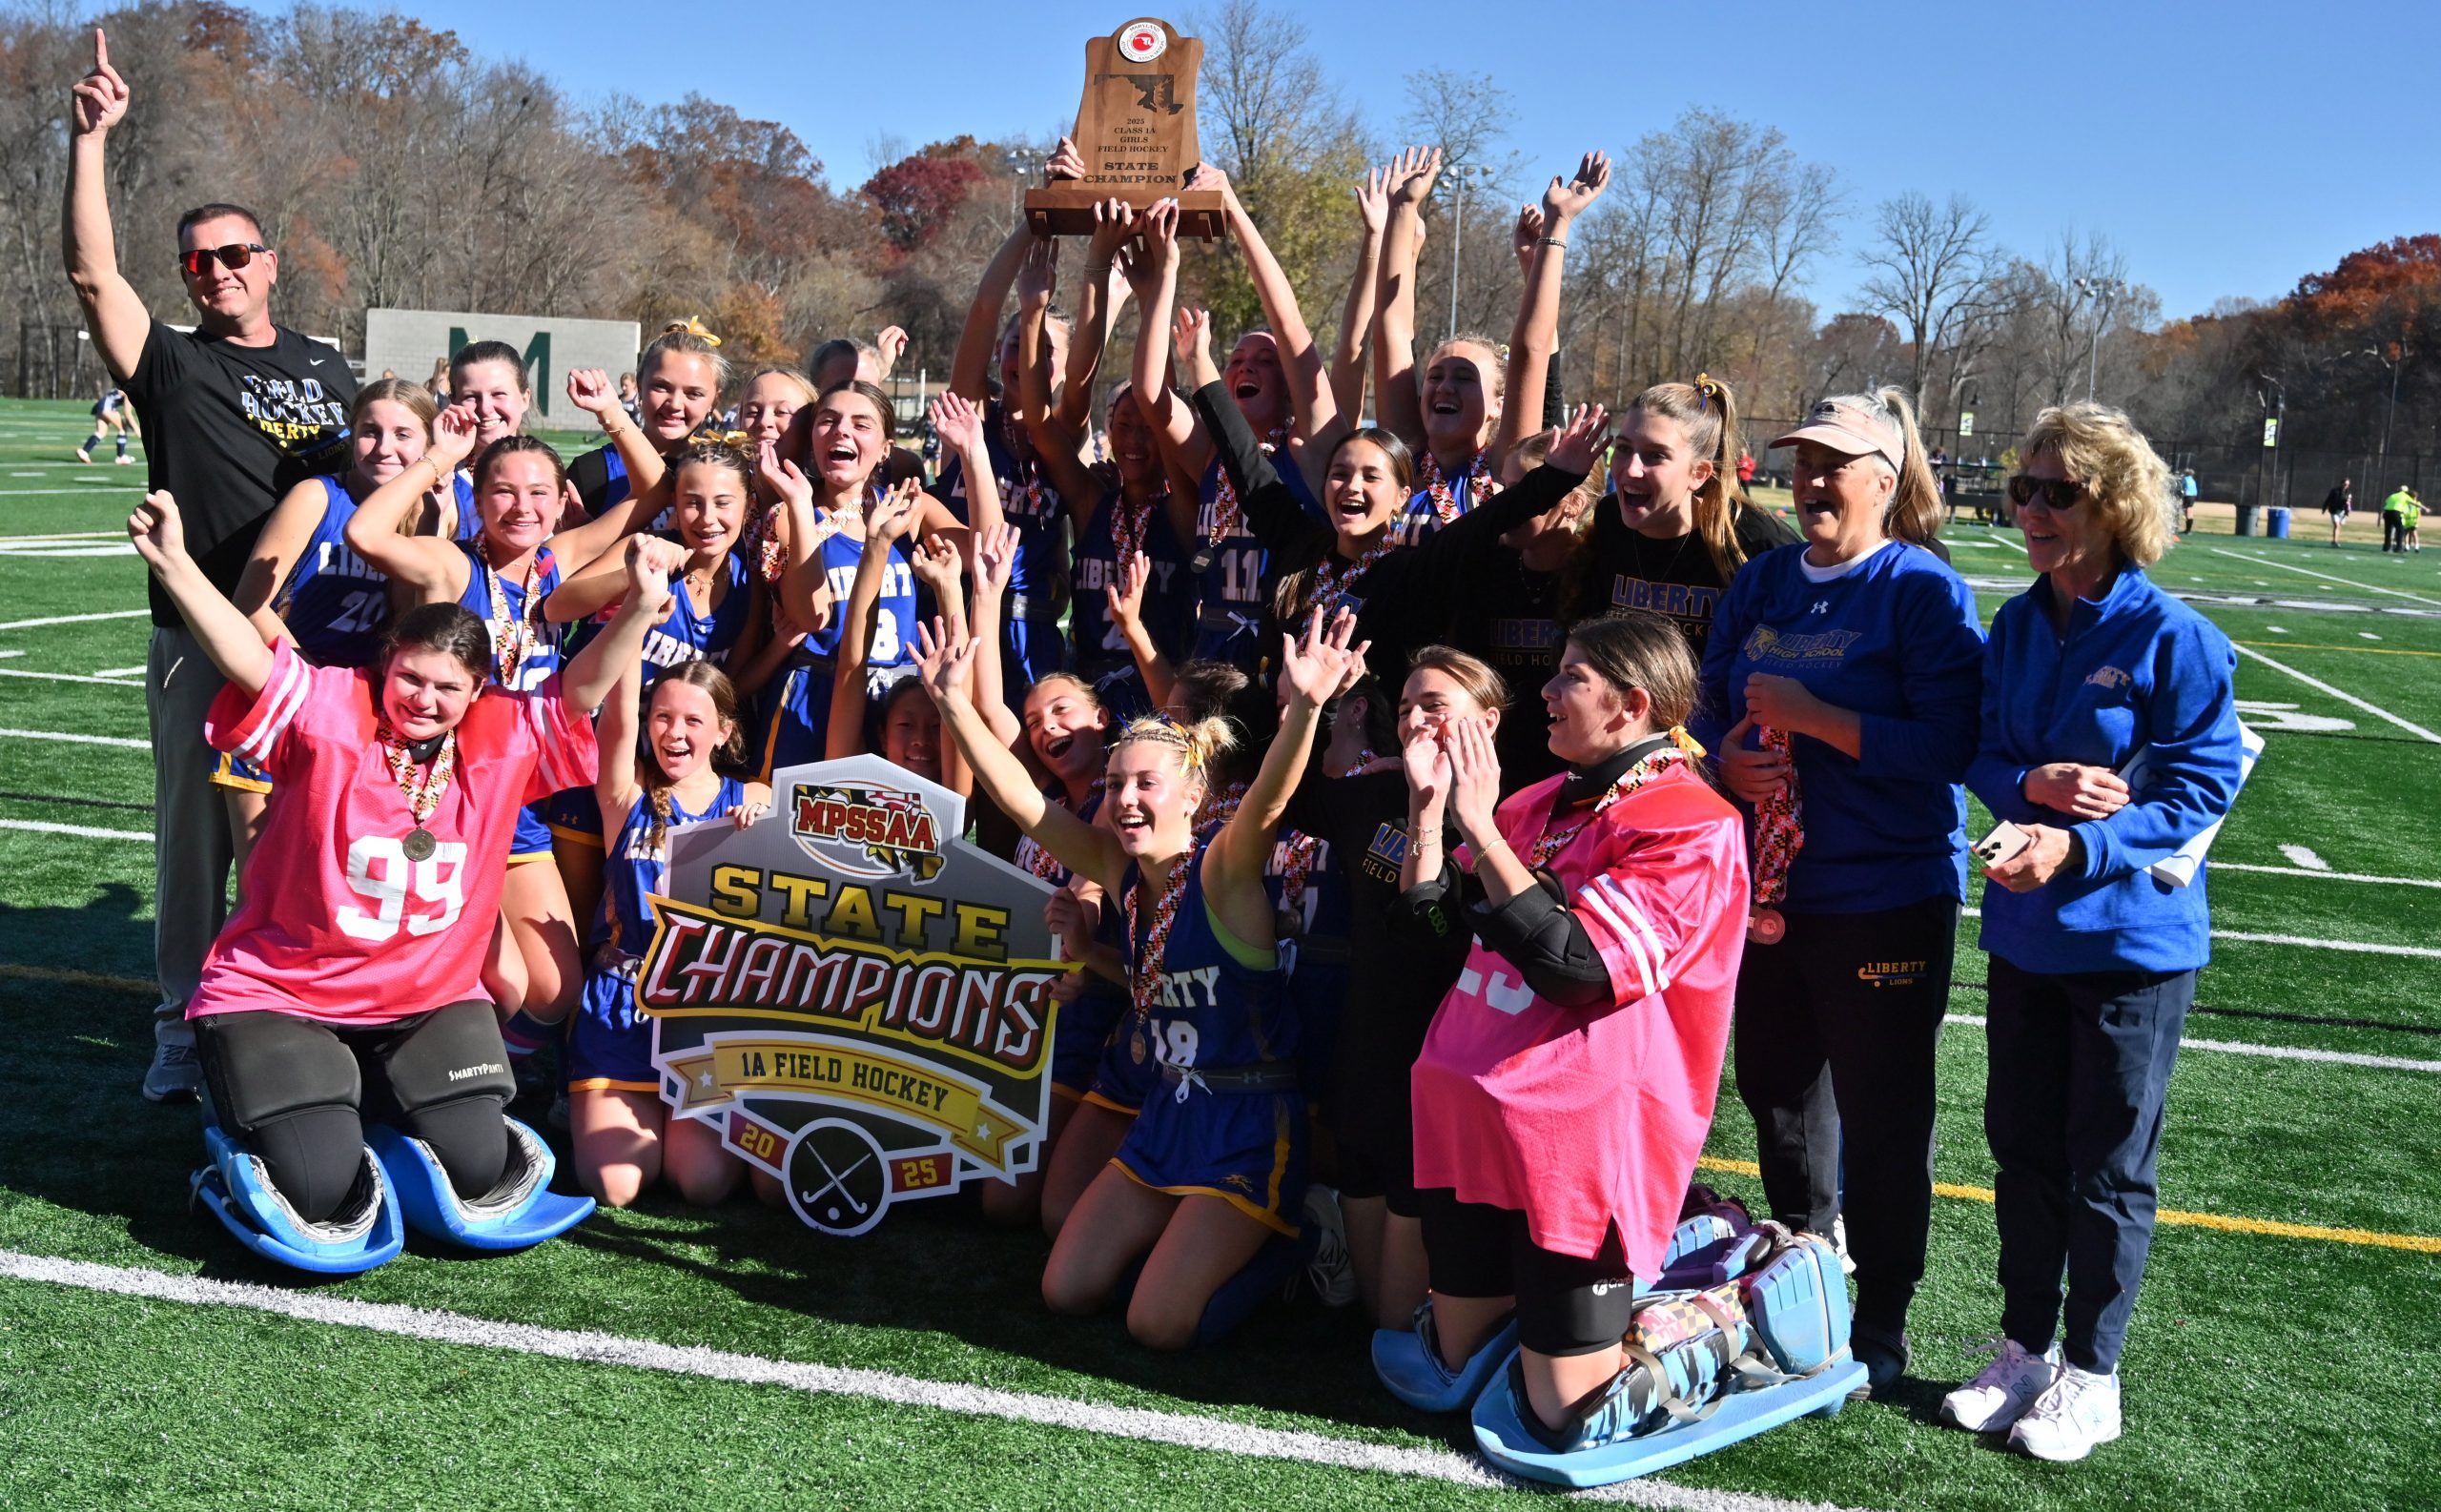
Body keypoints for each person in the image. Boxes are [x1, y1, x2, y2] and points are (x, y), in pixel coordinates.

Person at [128, 486, 678, 1260]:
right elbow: (248, 656)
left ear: (476, 693)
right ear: (385, 666)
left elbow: (580, 690)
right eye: (411, 678)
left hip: (422, 998)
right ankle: (241, 1144)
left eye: (448, 687)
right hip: (286, 990)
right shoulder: (328, 713)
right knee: (318, 1193)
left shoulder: (500, 739)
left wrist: (638, 609)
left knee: (483, 1166)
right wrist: (178, 567)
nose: (424, 698)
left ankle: (372, 1107)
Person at [918, 606, 1363, 1348]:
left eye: (1146, 785)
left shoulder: (1222, 867)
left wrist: (1307, 708)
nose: (1124, 799)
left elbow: (1272, 799)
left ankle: (1302, 1241)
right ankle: (1189, 1250)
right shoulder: (1119, 868)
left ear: (1192, 796)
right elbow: (1023, 804)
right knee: (1065, 1290)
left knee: (1155, 1325)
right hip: (1166, 1112)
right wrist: (953, 704)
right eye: (1117, 783)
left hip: (1247, 1123)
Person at [65, 28, 359, 1101]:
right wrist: (89, 139)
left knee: (313, 833)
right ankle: (180, 1021)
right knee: (195, 844)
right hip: (200, 638)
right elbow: (93, 273)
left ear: (273, 261)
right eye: (199, 260)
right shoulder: (173, 363)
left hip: (321, 650)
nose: (221, 271)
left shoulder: (329, 366)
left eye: (238, 254)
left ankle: (308, 1004)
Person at [1949, 403, 2245, 1461]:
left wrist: (2080, 845)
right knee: (2020, 1148)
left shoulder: (2177, 637)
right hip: (2027, 935)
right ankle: (2023, 1345)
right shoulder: (2020, 622)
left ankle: (2092, 1371)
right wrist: (2025, 784)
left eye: (2055, 491)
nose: (2028, 508)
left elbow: (2205, 785)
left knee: (2107, 1166)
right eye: (2020, 488)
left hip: (2132, 945)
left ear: (2113, 506)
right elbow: (1978, 750)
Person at [1396, 613, 1747, 1454]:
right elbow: (1435, 938)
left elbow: (1577, 970)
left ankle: (1731, 1301)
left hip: (1574, 1137)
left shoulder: (1689, 822)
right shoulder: (1537, 801)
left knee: (1563, 1416)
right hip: (1472, 1113)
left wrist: (1478, 827)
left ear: (1632, 704)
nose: (1546, 692)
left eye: (1571, 678)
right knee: (1456, 1357)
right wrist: (1428, 810)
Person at [1699, 388, 1986, 1396]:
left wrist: (1821, 718)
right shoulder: (1765, 580)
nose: (1813, 479)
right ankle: (1804, 1279)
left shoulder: (1922, 589)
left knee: (1881, 1110)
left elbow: (1953, 746)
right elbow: (1703, 709)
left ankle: (1884, 1313)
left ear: (1885, 476)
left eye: (1836, 462)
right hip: (1773, 892)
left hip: (1883, 894)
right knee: (1776, 1096)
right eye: (1802, 460)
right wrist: (1722, 763)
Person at [1285, 646, 1507, 1327]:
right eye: (1407, 706)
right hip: (1367, 1052)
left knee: (1396, 1322)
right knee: (1373, 1322)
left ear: (1488, 723)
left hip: (1447, 1071)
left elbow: (1433, 925)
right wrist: (1307, 707)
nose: (1416, 720)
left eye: (1435, 706)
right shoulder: (1374, 791)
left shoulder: (1513, 816)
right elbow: (1286, 795)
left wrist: (1437, 811)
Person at [221, 379, 448, 874]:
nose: (384, 448)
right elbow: (249, 601)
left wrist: (433, 519)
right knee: (266, 882)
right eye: (370, 431)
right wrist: (309, 681)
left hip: (359, 716)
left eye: (403, 434)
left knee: (328, 884)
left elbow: (409, 625)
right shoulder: (318, 496)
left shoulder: (425, 514)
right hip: (284, 699)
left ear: (430, 445)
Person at [570, 661, 770, 1207]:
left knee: (701, 1183)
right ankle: (584, 1103)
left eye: (691, 720)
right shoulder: (625, 793)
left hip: (707, 1013)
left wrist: (765, 814)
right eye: (661, 717)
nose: (673, 733)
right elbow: (614, 720)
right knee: (618, 1185)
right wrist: (640, 605)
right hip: (622, 1002)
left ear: (724, 731)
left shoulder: (750, 800)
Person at [569, 325, 727, 518]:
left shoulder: (729, 477)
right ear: (640, 387)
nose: (675, 404)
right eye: (661, 387)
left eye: (693, 393)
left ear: (714, 401)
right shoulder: (592, 471)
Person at [77, 382, 140, 464]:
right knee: (122, 429)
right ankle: (121, 456)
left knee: (101, 432)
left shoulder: (125, 387)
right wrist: (137, 430)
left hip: (101, 406)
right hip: (107, 407)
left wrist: (133, 427)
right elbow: (127, 414)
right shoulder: (131, 392)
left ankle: (84, 452)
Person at [2321, 476, 2352, 547]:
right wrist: (2324, 508)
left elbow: (2349, 503)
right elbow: (2328, 499)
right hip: (2334, 511)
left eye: (2347, 484)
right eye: (2345, 484)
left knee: (2339, 526)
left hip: (2343, 512)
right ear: (2341, 484)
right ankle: (2335, 541)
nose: (2346, 486)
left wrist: (2348, 509)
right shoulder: (2334, 491)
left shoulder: (2349, 492)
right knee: (2336, 525)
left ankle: (2335, 540)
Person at [2380, 483, 2411, 552]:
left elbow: (2386, 502)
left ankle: (2386, 547)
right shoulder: (2405, 496)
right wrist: (2425, 508)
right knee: (2400, 530)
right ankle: (2398, 547)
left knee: (2388, 531)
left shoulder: (2392, 495)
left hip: (2387, 513)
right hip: (2396, 513)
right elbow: (2413, 504)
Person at [2177, 469, 2198, 534]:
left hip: (2188, 496)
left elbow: (2181, 487)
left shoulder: (2185, 479)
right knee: (2190, 511)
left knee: (2188, 512)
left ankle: (2188, 530)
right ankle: (2188, 529)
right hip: (2193, 497)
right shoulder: (2192, 480)